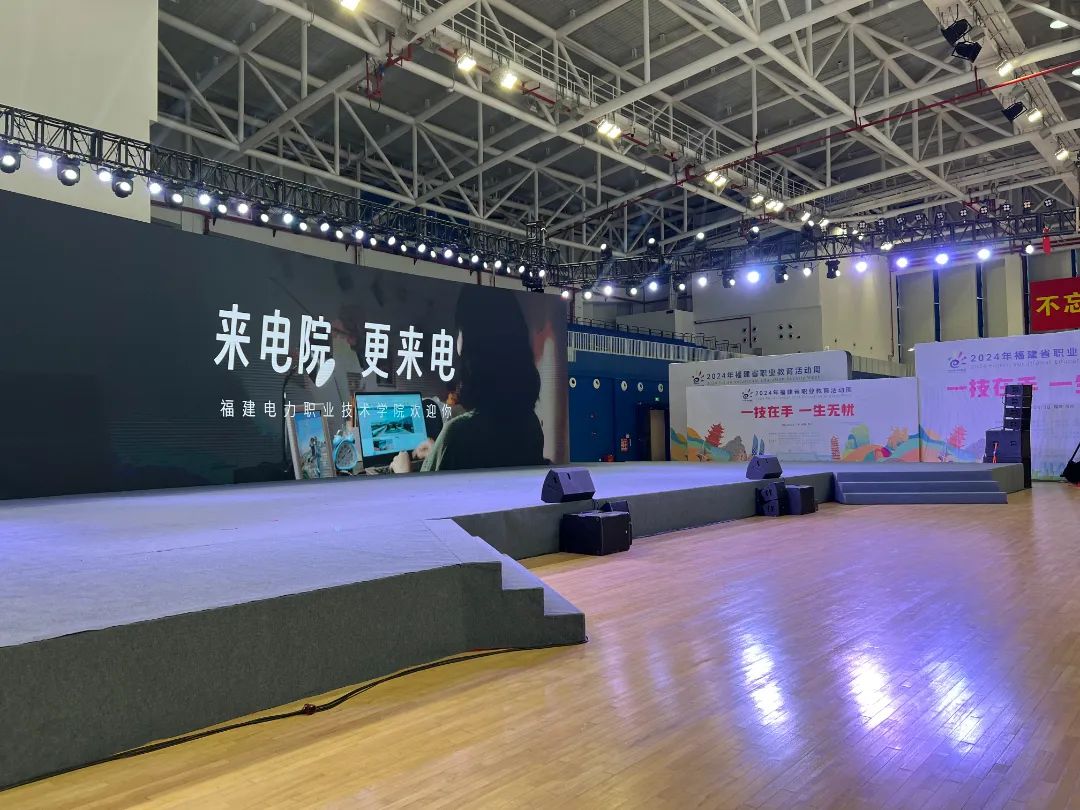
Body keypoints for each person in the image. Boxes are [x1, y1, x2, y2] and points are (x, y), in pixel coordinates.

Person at [391, 288, 546, 472]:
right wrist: (437, 453)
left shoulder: (458, 434)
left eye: (460, 330)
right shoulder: (530, 424)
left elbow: (429, 492)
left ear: (470, 344)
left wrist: (403, 472)